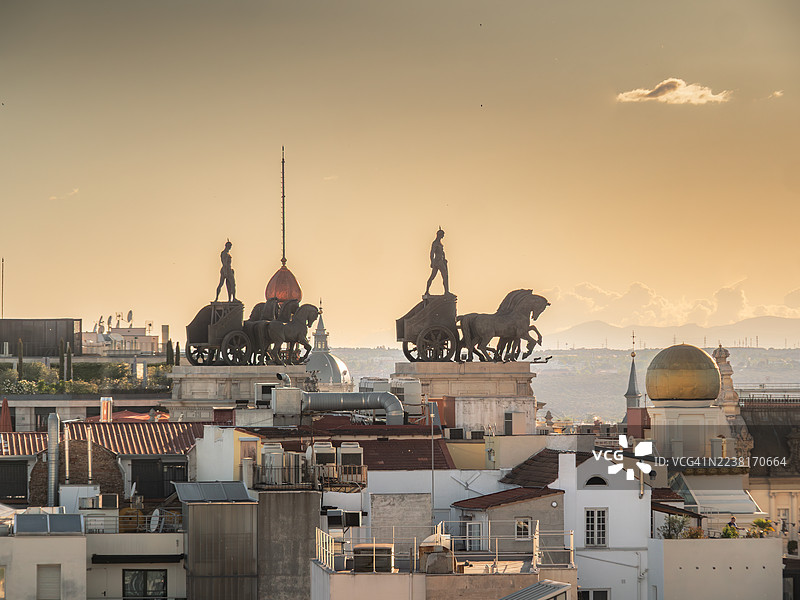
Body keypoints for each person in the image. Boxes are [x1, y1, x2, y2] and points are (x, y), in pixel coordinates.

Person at [424, 228, 449, 296]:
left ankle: (446, 291)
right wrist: (432, 262)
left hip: (441, 261)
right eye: (442, 235)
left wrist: (444, 259)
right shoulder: (435, 243)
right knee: (438, 276)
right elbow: (432, 253)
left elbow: (442, 252)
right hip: (438, 262)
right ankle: (427, 290)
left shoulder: (440, 243)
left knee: (444, 276)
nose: (443, 236)